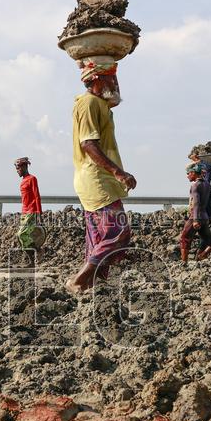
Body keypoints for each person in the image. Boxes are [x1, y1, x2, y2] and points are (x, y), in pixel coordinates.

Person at [67, 60, 136, 293]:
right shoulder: (88, 103)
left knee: (98, 236)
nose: (116, 84)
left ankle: (93, 285)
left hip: (100, 179)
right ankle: (79, 280)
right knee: (119, 233)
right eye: (111, 79)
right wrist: (118, 172)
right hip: (96, 179)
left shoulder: (99, 105)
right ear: (96, 79)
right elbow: (88, 143)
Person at [179, 163, 211, 264]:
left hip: (196, 217)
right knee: (210, 239)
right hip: (205, 217)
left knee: (185, 238)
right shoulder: (207, 184)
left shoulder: (195, 186)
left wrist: (195, 220)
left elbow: (196, 203)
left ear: (193, 173)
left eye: (188, 173)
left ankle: (184, 263)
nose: (187, 176)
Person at [15, 156, 43, 266]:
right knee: (21, 237)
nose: (17, 171)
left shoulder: (32, 179)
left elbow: (37, 196)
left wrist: (39, 213)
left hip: (31, 211)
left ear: (25, 167)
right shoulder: (23, 181)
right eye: (16, 169)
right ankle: (32, 261)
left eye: (19, 168)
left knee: (21, 234)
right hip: (24, 212)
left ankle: (38, 250)